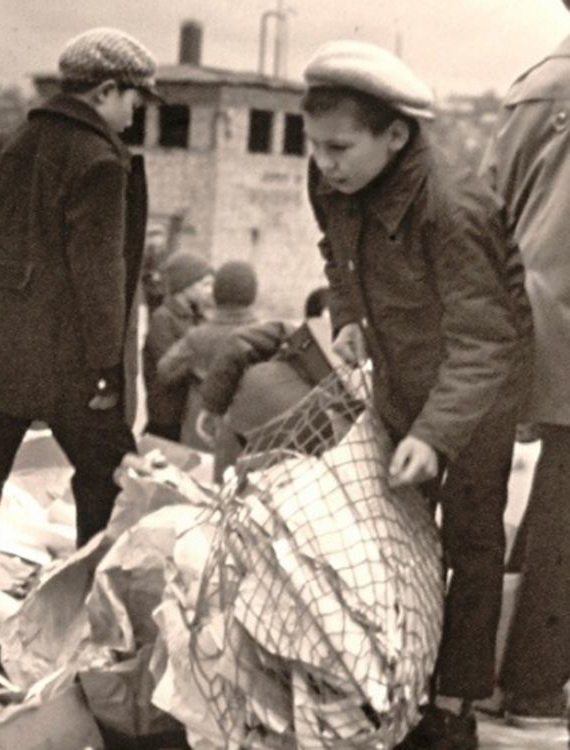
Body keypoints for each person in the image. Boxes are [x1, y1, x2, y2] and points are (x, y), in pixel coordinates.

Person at [301, 41, 532, 750]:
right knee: (399, 538)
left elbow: (485, 342)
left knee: (470, 543)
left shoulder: (453, 207)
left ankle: (455, 708)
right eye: (315, 146)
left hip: (479, 394)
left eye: (340, 147)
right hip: (406, 376)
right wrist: (345, 317)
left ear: (395, 136)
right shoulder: (331, 178)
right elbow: (334, 252)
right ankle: (398, 685)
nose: (325, 162)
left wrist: (434, 437)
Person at [0, 27, 156, 635]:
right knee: (112, 476)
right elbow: (100, 273)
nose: (135, 115)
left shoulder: (8, 143)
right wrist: (104, 366)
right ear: (105, 90)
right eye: (135, 101)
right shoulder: (99, 162)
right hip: (68, 360)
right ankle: (98, 614)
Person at [479, 14, 570, 728]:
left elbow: (488, 206)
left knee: (552, 507)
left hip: (534, 315)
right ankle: (534, 687)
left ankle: (509, 673)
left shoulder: (533, 89)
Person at [195, 287, 333, 477]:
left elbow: (237, 342)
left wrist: (212, 405)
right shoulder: (362, 360)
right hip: (302, 446)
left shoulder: (292, 333)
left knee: (225, 490)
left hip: (244, 416)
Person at [156, 259, 258, 456]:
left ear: (218, 293)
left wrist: (196, 369)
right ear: (252, 294)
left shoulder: (199, 335)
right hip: (247, 425)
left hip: (201, 424)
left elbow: (165, 369)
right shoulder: (263, 332)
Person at [142, 251, 213, 441]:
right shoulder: (162, 318)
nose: (210, 291)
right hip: (168, 415)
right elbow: (168, 368)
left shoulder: (199, 317)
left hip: (189, 412)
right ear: (184, 286)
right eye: (205, 285)